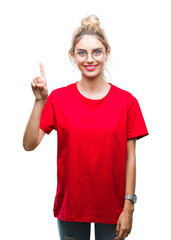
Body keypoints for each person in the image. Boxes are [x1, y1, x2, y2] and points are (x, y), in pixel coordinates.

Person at [23, 14, 149, 240]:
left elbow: (130, 158)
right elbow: (29, 144)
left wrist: (129, 205)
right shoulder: (58, 99)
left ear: (107, 54)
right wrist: (40, 100)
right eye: (82, 52)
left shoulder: (127, 102)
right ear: (73, 56)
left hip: (113, 206)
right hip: (72, 206)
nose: (89, 59)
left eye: (96, 52)